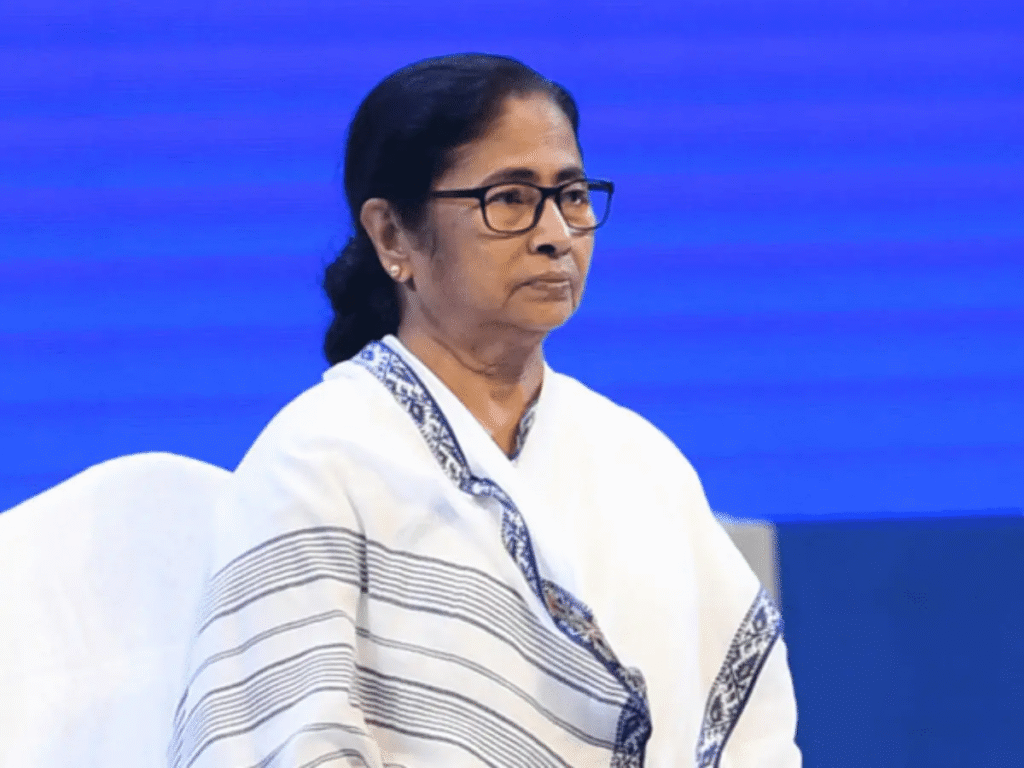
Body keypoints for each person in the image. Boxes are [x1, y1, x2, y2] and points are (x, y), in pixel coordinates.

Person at [169, 53, 801, 768]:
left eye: (572, 195)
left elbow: (753, 733)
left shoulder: (640, 461)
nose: (556, 232)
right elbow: (279, 744)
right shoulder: (318, 462)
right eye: (510, 199)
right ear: (392, 235)